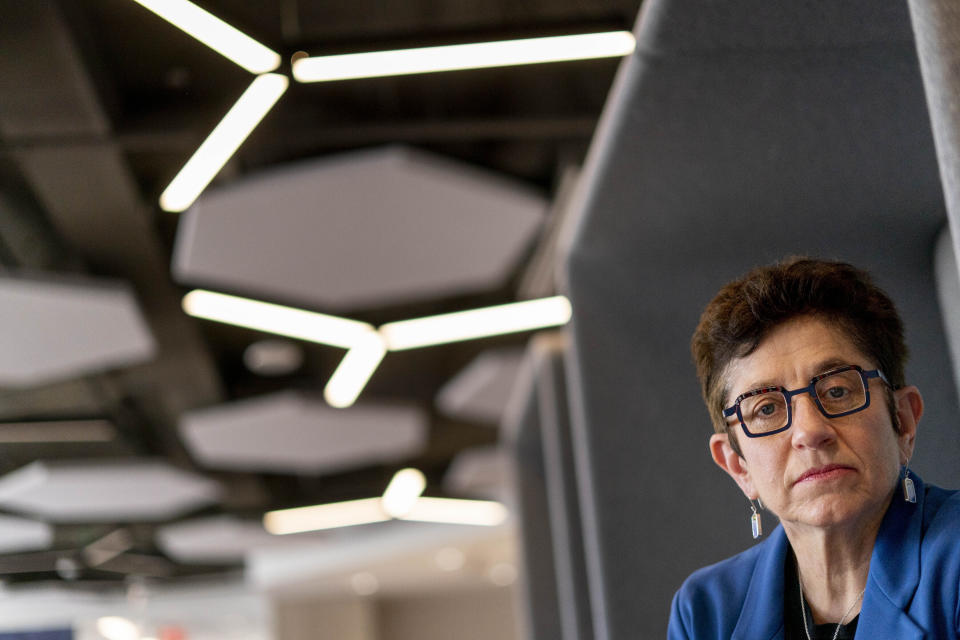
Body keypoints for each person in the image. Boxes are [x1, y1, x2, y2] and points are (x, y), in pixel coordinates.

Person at [668, 257, 960, 640]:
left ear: (903, 421)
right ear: (739, 466)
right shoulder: (705, 613)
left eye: (837, 390)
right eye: (766, 408)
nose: (810, 431)